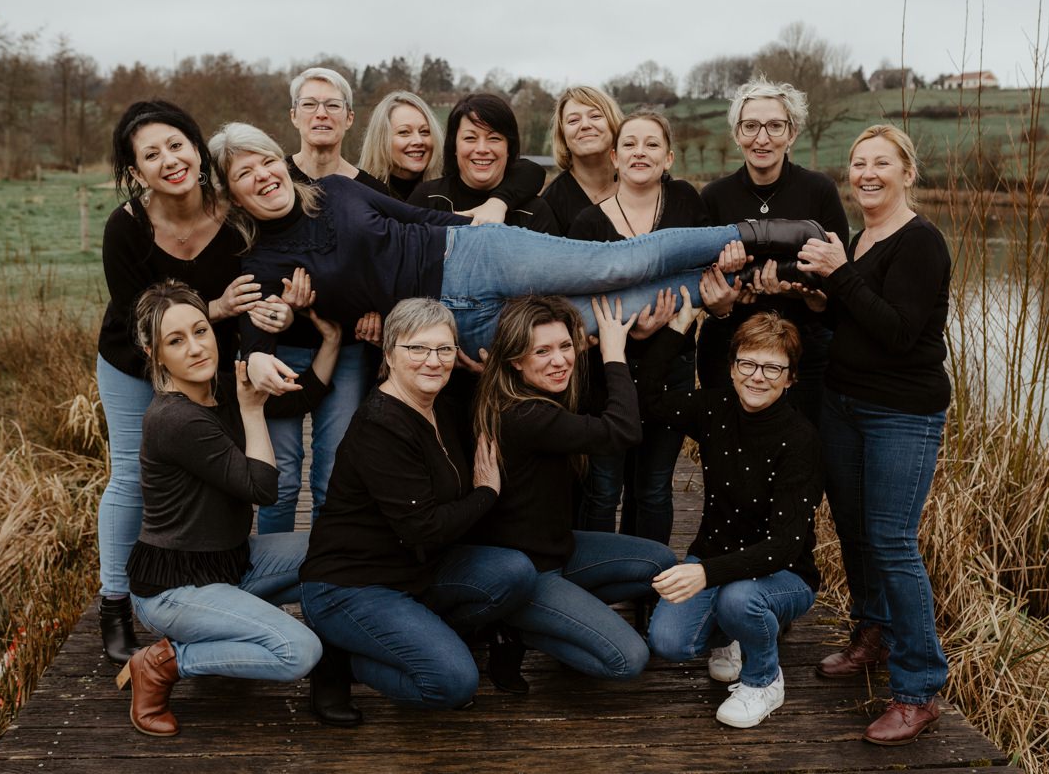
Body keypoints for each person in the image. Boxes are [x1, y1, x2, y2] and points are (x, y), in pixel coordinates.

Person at [205, 122, 771, 390]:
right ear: (232, 194)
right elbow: (259, 320)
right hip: (451, 324)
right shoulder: (261, 263)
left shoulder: (338, 190)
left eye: (266, 162)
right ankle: (737, 282)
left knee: (611, 265)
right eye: (245, 175)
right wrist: (256, 354)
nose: (263, 177)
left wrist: (479, 221)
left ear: (282, 162)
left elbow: (418, 217)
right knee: (607, 313)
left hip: (472, 255)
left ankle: (760, 236)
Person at [95, 100, 293, 664]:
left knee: (219, 466)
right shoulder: (127, 228)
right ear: (137, 173)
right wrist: (217, 307)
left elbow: (262, 289)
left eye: (176, 145)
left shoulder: (236, 218)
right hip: (133, 359)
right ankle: (115, 602)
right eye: (151, 155)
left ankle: (222, 584)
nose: (169, 160)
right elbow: (142, 323)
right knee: (131, 473)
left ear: (197, 149)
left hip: (211, 360)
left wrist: (276, 311)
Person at [115, 281, 339, 737]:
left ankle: (329, 665)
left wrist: (332, 341)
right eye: (176, 341)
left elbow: (298, 398)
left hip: (231, 562)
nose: (196, 348)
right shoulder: (175, 419)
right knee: (297, 651)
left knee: (336, 552)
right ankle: (163, 662)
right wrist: (252, 412)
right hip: (173, 588)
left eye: (201, 331)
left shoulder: (219, 387)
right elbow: (263, 488)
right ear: (155, 353)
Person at [299, 298, 537, 714]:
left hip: (417, 570)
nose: (434, 361)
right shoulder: (381, 425)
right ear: (389, 354)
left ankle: (412, 635)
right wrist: (486, 493)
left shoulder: (437, 405)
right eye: (418, 349)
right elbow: (423, 528)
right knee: (453, 684)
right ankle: (340, 657)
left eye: (444, 349)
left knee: (514, 572)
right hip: (352, 584)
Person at [796, 124, 951, 745]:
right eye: (858, 163)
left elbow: (896, 332)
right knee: (856, 530)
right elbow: (854, 317)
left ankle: (919, 691)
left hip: (900, 413)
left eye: (881, 163)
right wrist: (819, 299)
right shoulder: (862, 238)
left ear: (906, 173)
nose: (866, 173)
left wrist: (838, 275)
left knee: (890, 541)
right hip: (844, 404)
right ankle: (875, 636)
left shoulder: (921, 243)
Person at [466, 295, 677, 689]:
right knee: (628, 659)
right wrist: (614, 353)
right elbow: (623, 431)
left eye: (565, 346)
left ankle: (560, 614)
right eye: (541, 351)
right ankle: (515, 627)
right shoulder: (528, 415)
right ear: (515, 360)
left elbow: (618, 406)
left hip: (560, 549)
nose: (559, 360)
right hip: (529, 573)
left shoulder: (535, 396)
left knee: (661, 563)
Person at [643, 293, 822, 729]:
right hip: (717, 555)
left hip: (785, 575)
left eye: (772, 368)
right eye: (748, 363)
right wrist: (677, 328)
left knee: (741, 598)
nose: (757, 377)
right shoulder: (715, 408)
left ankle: (764, 680)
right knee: (668, 640)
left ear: (790, 378)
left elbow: (784, 546)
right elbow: (647, 398)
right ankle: (734, 638)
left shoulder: (800, 440)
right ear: (732, 365)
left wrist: (704, 574)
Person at [257, 67, 390, 535]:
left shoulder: (370, 190)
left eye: (332, 105)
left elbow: (388, 262)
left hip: (349, 349)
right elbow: (249, 255)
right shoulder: (273, 180)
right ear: (293, 116)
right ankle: (271, 584)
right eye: (310, 104)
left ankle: (326, 581)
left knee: (334, 473)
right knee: (283, 474)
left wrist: (377, 306)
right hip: (281, 347)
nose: (321, 113)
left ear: (350, 118)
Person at [569, 110, 708, 546]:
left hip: (672, 368)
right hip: (605, 370)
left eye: (651, 144)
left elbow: (705, 271)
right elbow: (578, 300)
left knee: (652, 487)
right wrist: (632, 330)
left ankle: (649, 588)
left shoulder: (687, 203)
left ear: (668, 158)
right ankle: (596, 583)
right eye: (629, 144)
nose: (639, 152)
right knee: (604, 487)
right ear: (613, 156)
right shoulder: (588, 224)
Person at [697, 76, 849, 425]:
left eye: (774, 126)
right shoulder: (714, 196)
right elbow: (701, 280)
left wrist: (804, 291)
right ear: (737, 134)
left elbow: (841, 276)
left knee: (801, 454)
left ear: (792, 133)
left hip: (808, 353)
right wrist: (724, 301)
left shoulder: (819, 190)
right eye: (750, 126)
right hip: (727, 346)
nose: (761, 138)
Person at [360, 90, 547, 212]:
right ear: (381, 139)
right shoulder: (365, 193)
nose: (418, 141)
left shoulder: (445, 182)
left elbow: (531, 170)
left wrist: (498, 202)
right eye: (404, 132)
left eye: (425, 132)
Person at [409, 93, 557, 233]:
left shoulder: (534, 211)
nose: (482, 149)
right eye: (470, 138)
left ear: (508, 148)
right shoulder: (427, 199)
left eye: (494, 138)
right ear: (454, 146)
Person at [541, 86, 625, 234]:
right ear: (563, 136)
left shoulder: (643, 181)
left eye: (595, 116)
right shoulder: (551, 203)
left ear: (614, 124)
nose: (585, 125)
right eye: (573, 120)